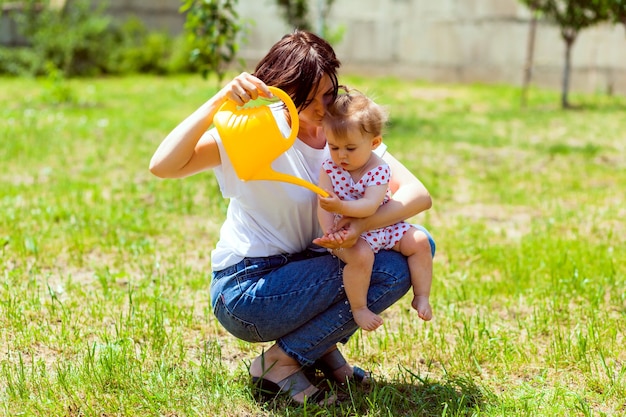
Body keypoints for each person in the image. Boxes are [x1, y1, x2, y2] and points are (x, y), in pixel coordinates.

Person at [149, 30, 435, 406]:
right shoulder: (255, 133)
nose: (321, 108)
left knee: (417, 245)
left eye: (329, 94)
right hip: (248, 289)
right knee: (388, 268)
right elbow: (162, 166)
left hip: (305, 269)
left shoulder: (341, 135)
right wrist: (218, 100)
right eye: (307, 98)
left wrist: (362, 224)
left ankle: (314, 350)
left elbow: (418, 195)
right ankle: (278, 364)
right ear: (282, 91)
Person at [317, 88, 433, 332]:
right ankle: (359, 308)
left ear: (374, 143)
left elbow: (369, 206)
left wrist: (340, 205)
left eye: (350, 148)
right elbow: (324, 204)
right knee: (361, 257)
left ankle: (421, 295)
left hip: (382, 225)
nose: (341, 155)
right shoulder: (329, 166)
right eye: (334, 146)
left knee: (420, 241)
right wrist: (329, 230)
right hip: (349, 233)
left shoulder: (378, 169)